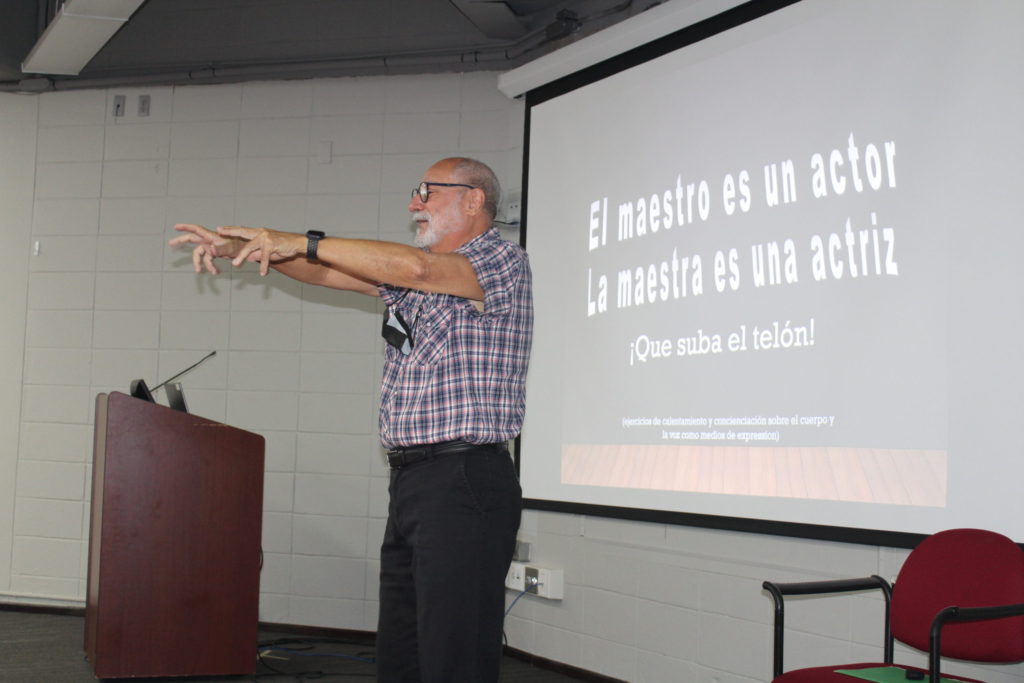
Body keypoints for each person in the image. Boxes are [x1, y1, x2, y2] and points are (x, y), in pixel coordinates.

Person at [170, 157, 533, 682]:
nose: (415, 204)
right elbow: (324, 271)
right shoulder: (415, 279)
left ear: (474, 199)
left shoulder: (500, 261)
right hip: (413, 482)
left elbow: (416, 268)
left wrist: (299, 238)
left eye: (427, 192)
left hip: (465, 480)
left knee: (454, 655)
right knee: (403, 653)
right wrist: (248, 251)